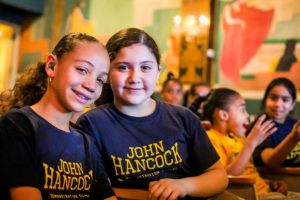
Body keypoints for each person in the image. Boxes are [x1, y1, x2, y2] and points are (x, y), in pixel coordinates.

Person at [77, 28, 228, 199]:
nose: (135, 77)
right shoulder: (92, 124)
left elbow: (219, 176)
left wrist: (184, 185)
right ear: (107, 73)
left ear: (158, 72)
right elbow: (97, 188)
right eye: (123, 67)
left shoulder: (184, 118)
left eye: (145, 67)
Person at [0, 33, 116, 200]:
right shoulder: (18, 125)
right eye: (82, 70)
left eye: (100, 80)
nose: (91, 86)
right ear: (52, 66)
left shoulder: (86, 141)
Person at [202, 88, 292, 199]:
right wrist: (250, 144)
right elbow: (224, 178)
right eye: (242, 110)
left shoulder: (238, 138)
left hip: (267, 192)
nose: (247, 115)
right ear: (223, 115)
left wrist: (270, 182)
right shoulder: (212, 138)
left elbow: (249, 173)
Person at [253, 77, 300, 168]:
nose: (278, 104)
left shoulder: (295, 124)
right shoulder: (260, 126)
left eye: (285, 100)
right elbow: (269, 161)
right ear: (265, 99)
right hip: (278, 179)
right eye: (273, 98)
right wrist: (293, 138)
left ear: (292, 105)